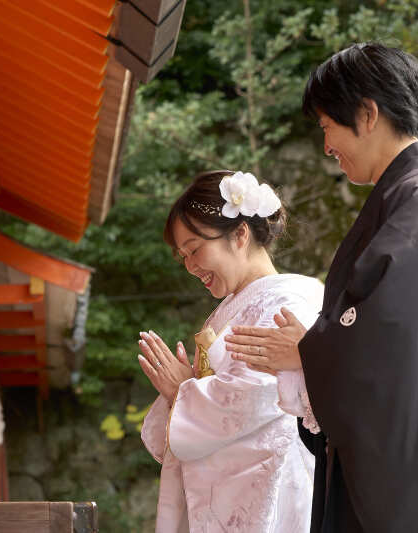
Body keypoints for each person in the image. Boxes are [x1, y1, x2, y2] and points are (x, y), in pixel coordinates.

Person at [227, 42, 418, 532]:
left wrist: (311, 349)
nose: (327, 146)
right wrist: (315, 348)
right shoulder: (411, 199)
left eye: (328, 127)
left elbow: (390, 337)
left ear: (367, 113)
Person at [138, 170, 324, 533]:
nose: (190, 266)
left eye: (194, 249)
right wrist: (183, 388)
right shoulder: (226, 311)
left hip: (271, 481)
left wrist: (183, 392)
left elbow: (258, 395)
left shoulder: (292, 300)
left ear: (239, 234)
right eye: (183, 256)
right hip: (231, 489)